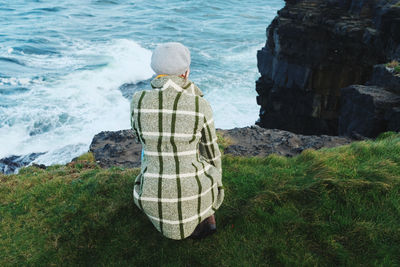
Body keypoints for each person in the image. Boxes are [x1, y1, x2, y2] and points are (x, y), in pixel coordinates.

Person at [130, 42, 224, 240]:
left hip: (150, 198)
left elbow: (141, 139)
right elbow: (211, 151)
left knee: (149, 151)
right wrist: (216, 180)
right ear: (186, 73)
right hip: (196, 193)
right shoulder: (200, 104)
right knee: (203, 165)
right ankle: (203, 218)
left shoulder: (137, 101)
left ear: (155, 71)